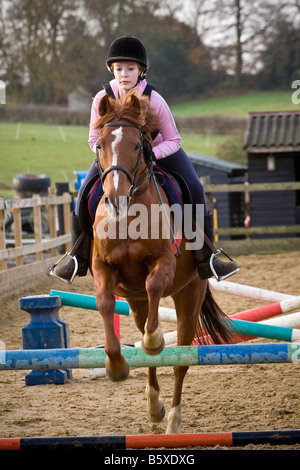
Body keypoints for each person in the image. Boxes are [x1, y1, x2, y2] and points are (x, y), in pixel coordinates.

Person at [51, 35, 239, 283]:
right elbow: (93, 139)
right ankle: (77, 257)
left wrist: (151, 155)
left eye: (130, 68)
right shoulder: (101, 99)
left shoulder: (155, 99)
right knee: (84, 193)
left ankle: (208, 257)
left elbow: (175, 141)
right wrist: (113, 159)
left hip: (161, 152)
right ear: (112, 70)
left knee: (194, 187)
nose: (124, 74)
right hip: (116, 159)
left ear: (141, 71)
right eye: (119, 68)